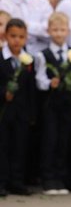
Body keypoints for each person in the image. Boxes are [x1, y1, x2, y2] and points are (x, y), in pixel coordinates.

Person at [34, 12, 71, 195]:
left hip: (67, 103)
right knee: (49, 139)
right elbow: (39, 78)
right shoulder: (42, 55)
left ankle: (60, 177)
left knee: (64, 139)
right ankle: (48, 178)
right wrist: (48, 83)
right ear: (49, 31)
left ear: (68, 31)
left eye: (62, 30)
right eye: (55, 30)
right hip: (50, 105)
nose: (59, 33)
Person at [0, 19, 35, 196]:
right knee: (2, 146)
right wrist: (3, 93)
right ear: (5, 36)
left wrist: (31, 114)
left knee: (19, 147)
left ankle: (17, 181)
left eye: (21, 37)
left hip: (21, 112)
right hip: (3, 112)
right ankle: (2, 182)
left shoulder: (27, 60)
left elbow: (31, 89)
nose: (17, 41)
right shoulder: (1, 57)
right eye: (13, 36)